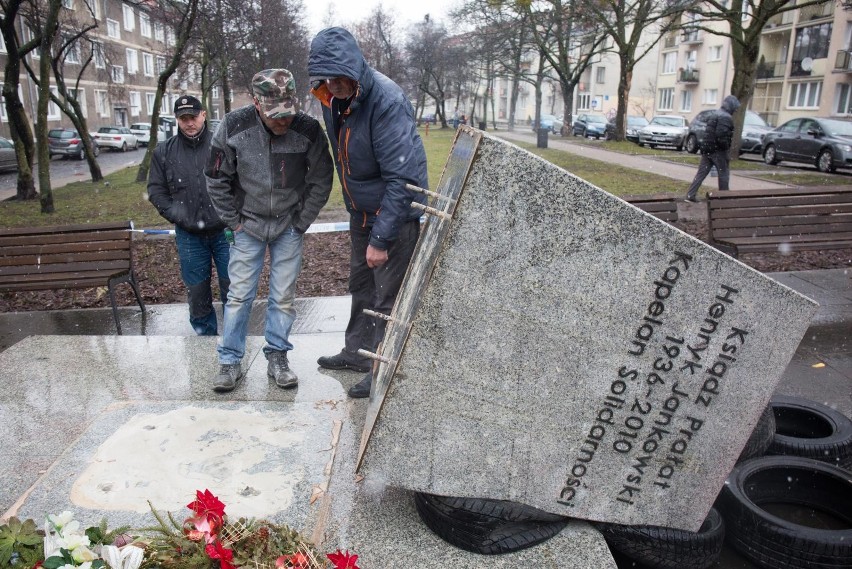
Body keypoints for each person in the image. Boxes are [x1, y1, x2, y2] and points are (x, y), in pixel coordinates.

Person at [308, 27, 428, 399]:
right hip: (362, 212)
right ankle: (357, 353)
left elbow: (403, 178)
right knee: (360, 286)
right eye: (326, 77)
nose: (333, 84)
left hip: (393, 215)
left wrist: (381, 238)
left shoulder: (386, 100)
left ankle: (380, 371)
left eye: (339, 76)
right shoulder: (335, 99)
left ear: (354, 68)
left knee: (386, 299)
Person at [205, 69, 334, 393]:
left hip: (287, 225)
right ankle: (230, 361)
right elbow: (215, 178)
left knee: (283, 297)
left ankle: (278, 357)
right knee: (238, 296)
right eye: (275, 116)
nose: (283, 122)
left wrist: (301, 221)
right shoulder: (234, 127)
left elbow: (321, 178)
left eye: (287, 114)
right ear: (256, 104)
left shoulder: (307, 129)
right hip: (247, 224)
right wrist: (234, 221)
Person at [148, 95, 229, 336]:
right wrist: (177, 216)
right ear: (177, 120)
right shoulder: (164, 152)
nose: (189, 123)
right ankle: (205, 339)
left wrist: (233, 214)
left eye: (193, 117)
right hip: (189, 235)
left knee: (234, 288)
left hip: (225, 231)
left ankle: (236, 337)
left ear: (203, 114)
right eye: (183, 118)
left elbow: (241, 182)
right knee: (197, 291)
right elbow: (156, 190)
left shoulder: (221, 145)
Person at [685, 95, 740, 202]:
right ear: (731, 106)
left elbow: (710, 133)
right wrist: (725, 147)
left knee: (701, 174)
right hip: (718, 151)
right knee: (723, 174)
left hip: (708, 149)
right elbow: (721, 135)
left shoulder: (715, 114)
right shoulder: (726, 117)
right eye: (735, 107)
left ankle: (690, 195)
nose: (736, 110)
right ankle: (724, 198)